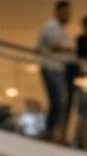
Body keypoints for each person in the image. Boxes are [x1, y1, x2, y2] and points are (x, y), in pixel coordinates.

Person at [35, 1, 75, 144]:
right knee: (58, 102)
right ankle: (50, 132)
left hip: (58, 70)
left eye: (69, 13)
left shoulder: (63, 30)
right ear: (58, 11)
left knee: (59, 102)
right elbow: (54, 46)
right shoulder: (52, 26)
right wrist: (69, 50)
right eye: (65, 13)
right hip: (51, 68)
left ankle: (55, 132)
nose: (68, 16)